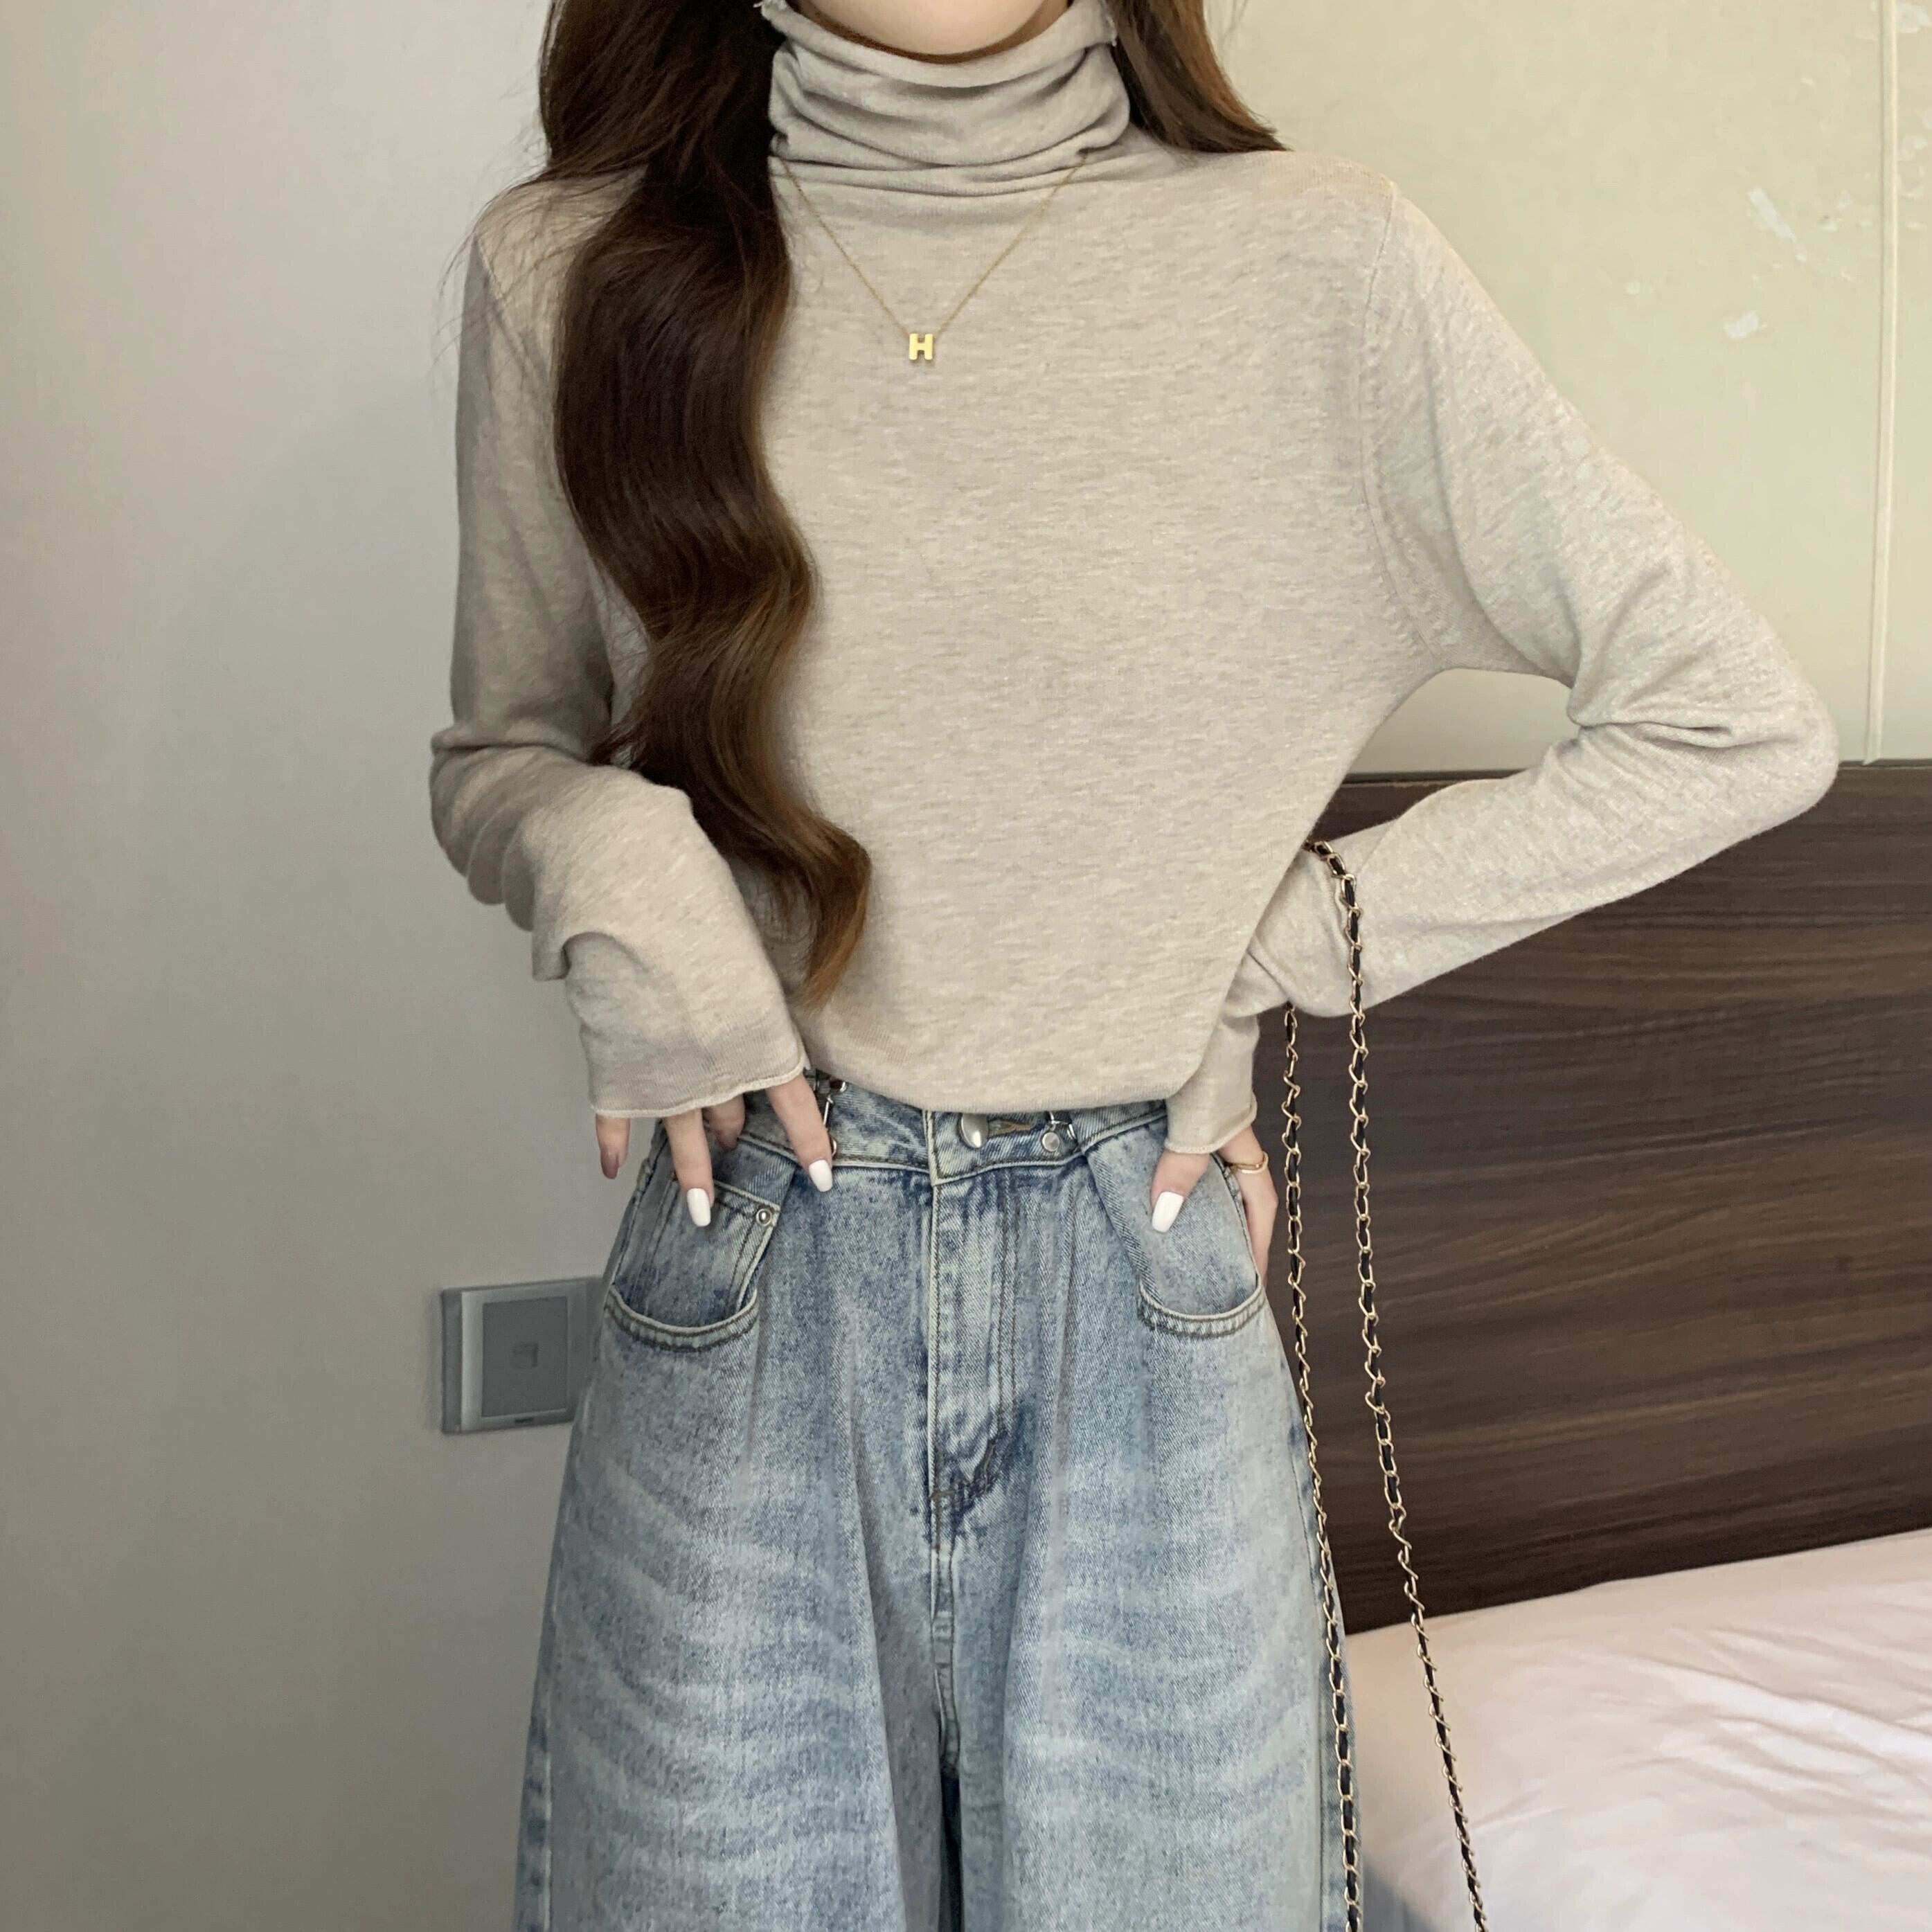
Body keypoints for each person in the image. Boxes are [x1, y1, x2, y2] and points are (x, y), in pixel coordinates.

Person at [427, 1, 1841, 1926]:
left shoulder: (1324, 266)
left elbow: (1729, 717)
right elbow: (501, 751)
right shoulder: (572, 270)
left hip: (1139, 1275)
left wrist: (1273, 952)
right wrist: (619, 862)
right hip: (750, 1263)